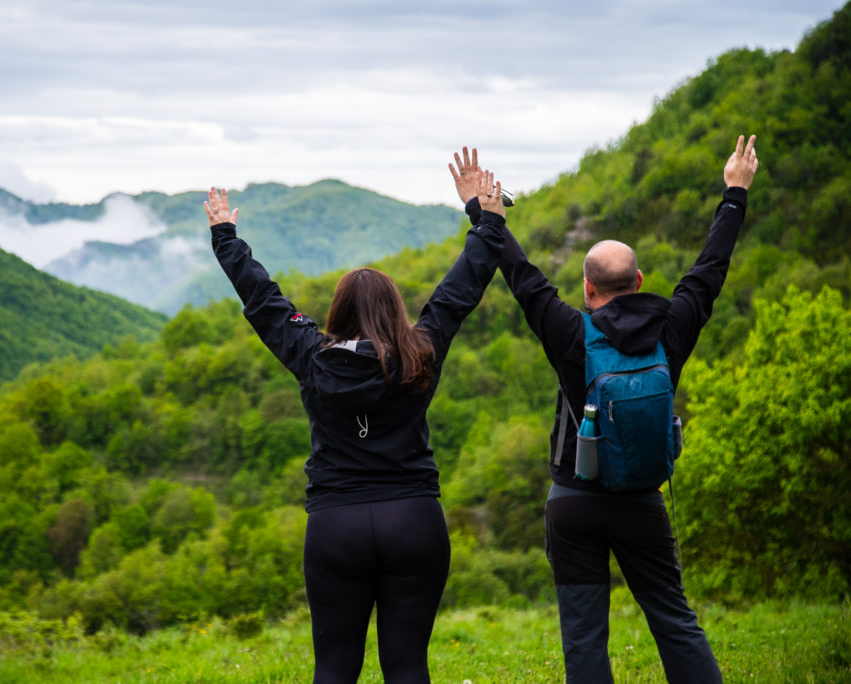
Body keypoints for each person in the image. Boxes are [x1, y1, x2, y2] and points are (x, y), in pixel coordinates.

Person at [453, 136, 759, 683]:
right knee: (673, 619)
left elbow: (522, 277)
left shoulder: (570, 330)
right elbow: (710, 268)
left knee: (584, 635)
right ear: (639, 282)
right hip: (641, 499)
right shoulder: (673, 326)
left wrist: (483, 211)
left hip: (572, 500)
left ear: (587, 288)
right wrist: (734, 192)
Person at [204, 157, 507, 683]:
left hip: (336, 524)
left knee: (336, 670)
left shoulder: (311, 355)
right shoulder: (422, 352)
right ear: (394, 309)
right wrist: (486, 219)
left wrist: (226, 236)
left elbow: (265, 300)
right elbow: (460, 291)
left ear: (338, 310)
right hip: (413, 519)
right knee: (408, 666)